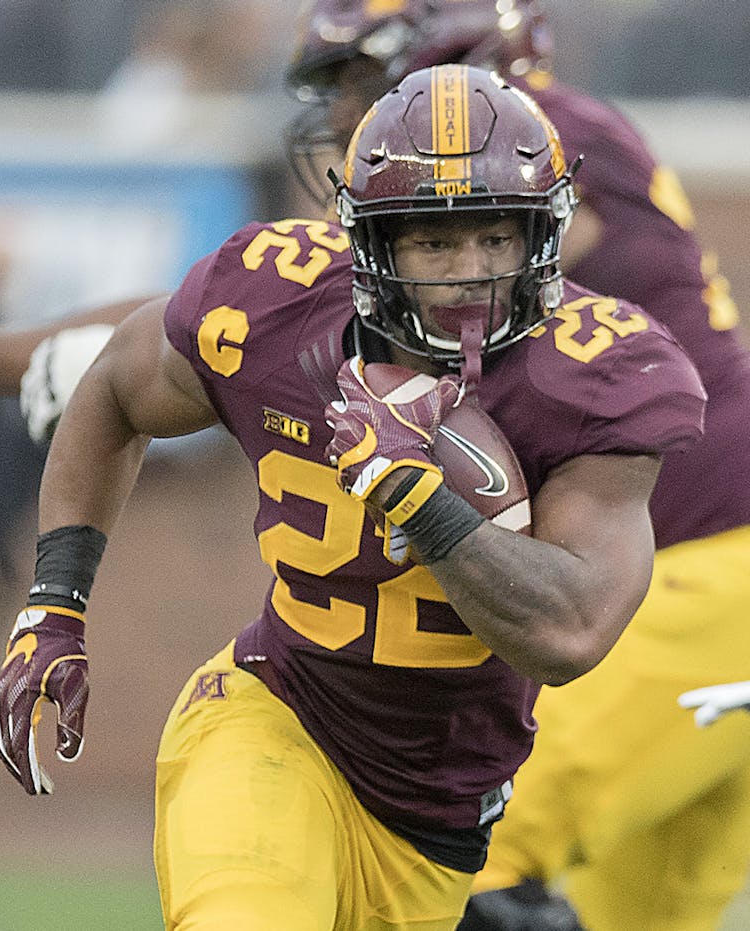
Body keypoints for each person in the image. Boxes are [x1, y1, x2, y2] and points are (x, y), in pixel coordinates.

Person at [0, 64, 707, 930]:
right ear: (373, 244)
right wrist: (53, 606)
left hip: (436, 817)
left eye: (494, 238)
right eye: (434, 244)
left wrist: (416, 498)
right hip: (275, 721)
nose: (470, 274)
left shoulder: (600, 372)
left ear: (540, 236)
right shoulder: (275, 304)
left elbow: (570, 629)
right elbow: (112, 385)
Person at [280, 3, 750, 929]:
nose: (343, 118)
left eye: (355, 82)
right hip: (711, 569)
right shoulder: (566, 129)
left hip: (703, 565)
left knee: (463, 859)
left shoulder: (514, 143)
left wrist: (34, 354)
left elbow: (278, 294)